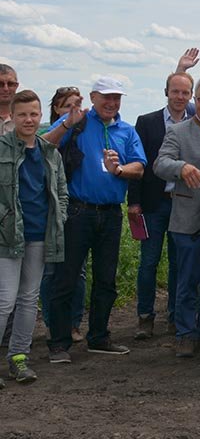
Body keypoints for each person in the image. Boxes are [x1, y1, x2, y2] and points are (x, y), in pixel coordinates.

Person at [43, 76, 147, 362]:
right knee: (65, 279)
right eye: (106, 97)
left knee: (106, 280)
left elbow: (139, 167)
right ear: (93, 97)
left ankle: (99, 337)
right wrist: (67, 123)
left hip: (111, 215)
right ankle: (59, 343)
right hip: (78, 212)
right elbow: (43, 145)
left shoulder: (126, 130)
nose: (112, 103)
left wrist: (120, 170)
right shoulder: (78, 122)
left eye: (117, 98)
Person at [153, 77, 200, 358]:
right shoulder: (178, 131)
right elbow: (160, 163)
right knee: (187, 281)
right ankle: (184, 333)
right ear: (196, 100)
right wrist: (181, 167)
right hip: (188, 219)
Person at [0, 90, 68, 386]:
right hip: (7, 237)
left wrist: (59, 217)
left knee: (28, 299)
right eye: (22, 114)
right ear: (13, 117)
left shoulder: (50, 152)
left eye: (33, 114)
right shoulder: (2, 149)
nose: (28, 120)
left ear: (41, 116)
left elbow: (61, 191)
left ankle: (19, 357)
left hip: (40, 235)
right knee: (4, 300)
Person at [128, 72, 194, 340]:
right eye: (175, 91)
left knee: (180, 264)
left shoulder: (196, 122)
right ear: (166, 92)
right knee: (149, 262)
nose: (180, 97)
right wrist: (134, 201)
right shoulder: (147, 122)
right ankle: (145, 317)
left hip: (184, 204)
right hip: (154, 203)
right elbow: (137, 161)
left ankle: (175, 317)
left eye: (185, 92)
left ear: (190, 96)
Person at [40, 87, 86, 342]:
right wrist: (68, 123)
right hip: (51, 207)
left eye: (76, 106)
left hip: (76, 206)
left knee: (78, 272)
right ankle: (52, 323)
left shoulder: (83, 130)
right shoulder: (56, 131)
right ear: (57, 110)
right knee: (51, 271)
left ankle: (74, 324)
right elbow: (44, 146)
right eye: (67, 106)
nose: (73, 111)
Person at [0, 63, 18, 135]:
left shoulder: (25, 117)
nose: (6, 89)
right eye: (0, 84)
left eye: (10, 84)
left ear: (16, 86)